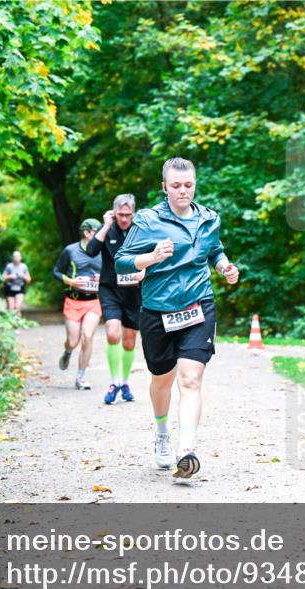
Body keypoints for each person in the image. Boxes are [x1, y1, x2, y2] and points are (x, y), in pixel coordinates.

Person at [114, 157, 239, 479]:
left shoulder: (209, 219)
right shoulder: (147, 220)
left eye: (188, 185)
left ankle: (186, 452)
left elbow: (215, 250)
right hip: (158, 309)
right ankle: (161, 434)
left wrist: (224, 266)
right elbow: (121, 262)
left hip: (199, 305)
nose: (183, 191)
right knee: (161, 380)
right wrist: (150, 258)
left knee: (191, 379)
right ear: (164, 187)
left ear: (194, 184)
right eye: (176, 186)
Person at [85, 194, 146, 405]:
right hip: (110, 289)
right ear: (114, 213)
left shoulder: (141, 232)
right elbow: (91, 251)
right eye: (120, 215)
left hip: (133, 292)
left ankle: (125, 382)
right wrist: (105, 224)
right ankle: (114, 382)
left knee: (129, 341)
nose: (124, 219)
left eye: (128, 215)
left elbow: (154, 256)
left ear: (134, 213)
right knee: (112, 333)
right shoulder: (108, 229)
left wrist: (144, 271)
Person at [53, 220, 103, 390]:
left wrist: (101, 280)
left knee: (87, 336)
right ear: (87, 233)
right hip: (73, 300)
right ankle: (67, 352)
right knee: (73, 341)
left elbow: (112, 272)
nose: (100, 234)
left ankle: (80, 377)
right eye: (97, 231)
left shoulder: (103, 251)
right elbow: (56, 271)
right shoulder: (70, 250)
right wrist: (72, 281)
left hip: (94, 301)